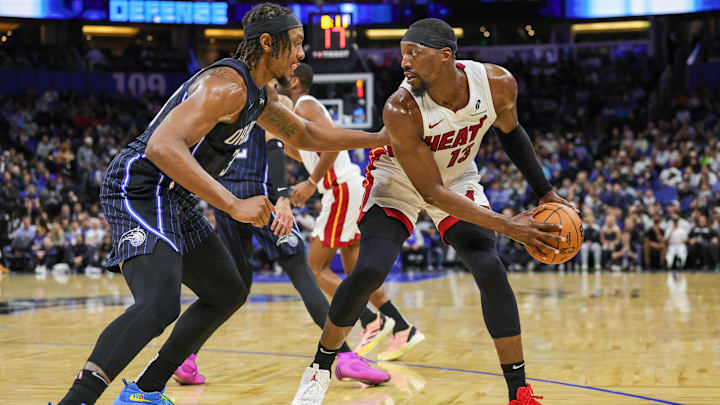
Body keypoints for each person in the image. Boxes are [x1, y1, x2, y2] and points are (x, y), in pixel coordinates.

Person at [55, 4, 387, 405]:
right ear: (268, 42)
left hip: (174, 195)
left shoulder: (260, 93)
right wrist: (233, 204)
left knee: (227, 291)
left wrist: (380, 139)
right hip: (141, 186)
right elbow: (162, 146)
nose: (301, 55)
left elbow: (305, 135)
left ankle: (145, 391)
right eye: (296, 44)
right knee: (160, 303)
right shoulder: (227, 84)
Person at [291, 18, 572, 405]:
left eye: (413, 53)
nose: (403, 62)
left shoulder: (497, 84)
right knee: (370, 269)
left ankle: (519, 391)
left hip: (456, 177)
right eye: (402, 53)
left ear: (445, 56)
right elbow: (430, 192)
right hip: (399, 181)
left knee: (490, 268)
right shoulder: (401, 107)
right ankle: (321, 368)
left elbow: (511, 133)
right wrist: (508, 225)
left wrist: (546, 194)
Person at [173, 116, 388, 387]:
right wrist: (283, 197)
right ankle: (345, 357)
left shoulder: (219, 104)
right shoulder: (263, 102)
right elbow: (275, 150)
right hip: (262, 197)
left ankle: (185, 358)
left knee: (234, 288)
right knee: (302, 270)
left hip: (227, 199)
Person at [277, 63, 424, 360]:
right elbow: (303, 150)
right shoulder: (300, 111)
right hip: (346, 189)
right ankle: (403, 327)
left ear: (294, 81)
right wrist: (275, 144)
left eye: (283, 75)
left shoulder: (305, 105)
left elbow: (332, 145)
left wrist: (311, 181)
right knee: (357, 274)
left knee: (315, 268)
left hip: (340, 190)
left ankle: (370, 320)